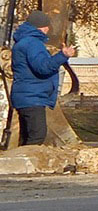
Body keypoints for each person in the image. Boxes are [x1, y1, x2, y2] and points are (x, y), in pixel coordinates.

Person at [10, 10, 75, 146]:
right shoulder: (33, 43)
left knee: (27, 137)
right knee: (37, 136)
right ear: (43, 27)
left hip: (25, 95)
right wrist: (62, 55)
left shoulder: (22, 42)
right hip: (33, 97)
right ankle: (26, 165)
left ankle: (21, 163)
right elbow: (43, 68)